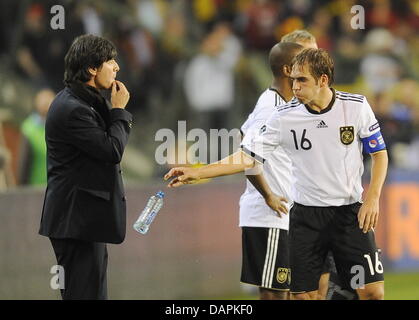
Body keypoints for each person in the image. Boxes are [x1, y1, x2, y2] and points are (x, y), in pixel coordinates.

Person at [164, 48, 387, 300]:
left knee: (371, 292)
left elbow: (379, 154)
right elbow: (247, 157)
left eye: (302, 80)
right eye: (293, 80)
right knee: (305, 296)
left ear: (323, 80)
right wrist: (199, 172)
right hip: (306, 217)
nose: (295, 87)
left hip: (349, 212)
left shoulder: (355, 107)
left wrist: (373, 198)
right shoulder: (284, 116)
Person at [39, 34, 132, 300]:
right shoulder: (72, 109)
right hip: (75, 222)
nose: (116, 67)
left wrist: (114, 111)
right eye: (110, 61)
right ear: (92, 68)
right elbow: (112, 150)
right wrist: (119, 112)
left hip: (85, 221)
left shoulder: (85, 102)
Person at [238, 41, 304, 300]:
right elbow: (247, 155)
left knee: (284, 291)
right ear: (288, 69)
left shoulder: (280, 102)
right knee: (275, 293)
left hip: (281, 212)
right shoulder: (271, 105)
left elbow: (243, 132)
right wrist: (268, 195)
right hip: (269, 214)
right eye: (303, 61)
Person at [18, 88, 55, 185]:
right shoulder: (28, 128)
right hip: (35, 188)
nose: (46, 104)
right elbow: (24, 164)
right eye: (43, 101)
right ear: (36, 104)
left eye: (48, 101)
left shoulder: (61, 125)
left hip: (56, 187)